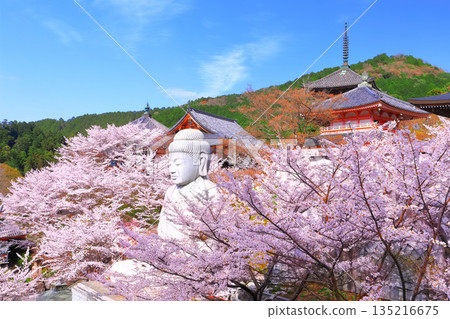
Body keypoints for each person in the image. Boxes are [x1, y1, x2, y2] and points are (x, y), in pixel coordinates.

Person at [157, 129, 217, 241]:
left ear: (201, 161)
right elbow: (162, 230)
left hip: (198, 254)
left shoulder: (211, 191)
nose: (172, 170)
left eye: (178, 163)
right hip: (166, 251)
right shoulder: (171, 192)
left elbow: (215, 237)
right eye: (170, 164)